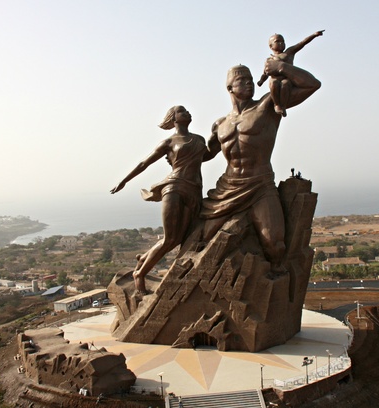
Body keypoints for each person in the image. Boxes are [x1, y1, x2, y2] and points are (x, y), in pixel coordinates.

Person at [201, 56, 321, 274]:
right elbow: (204, 155)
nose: (249, 82)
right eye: (243, 80)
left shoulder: (267, 106)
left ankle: (272, 292)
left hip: (260, 185)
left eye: (250, 79)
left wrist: (282, 67)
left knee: (275, 246)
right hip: (227, 188)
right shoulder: (220, 124)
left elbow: (312, 85)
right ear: (230, 87)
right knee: (205, 238)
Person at [111, 106, 209, 293]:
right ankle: (139, 274)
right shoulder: (169, 142)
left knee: (180, 238)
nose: (187, 113)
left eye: (187, 110)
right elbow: (144, 163)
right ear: (173, 119)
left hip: (195, 191)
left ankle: (144, 258)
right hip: (174, 187)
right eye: (182, 111)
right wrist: (124, 181)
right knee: (170, 238)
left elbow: (208, 155)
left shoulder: (199, 139)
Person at [256, 31, 324, 116]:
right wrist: (261, 81)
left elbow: (302, 43)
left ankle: (283, 106)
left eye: (283, 41)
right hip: (274, 79)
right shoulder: (269, 59)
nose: (281, 43)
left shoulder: (289, 52)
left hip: (286, 79)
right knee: (274, 83)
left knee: (286, 84)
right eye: (277, 41)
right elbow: (265, 73)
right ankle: (277, 104)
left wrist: (314, 35)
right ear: (271, 46)